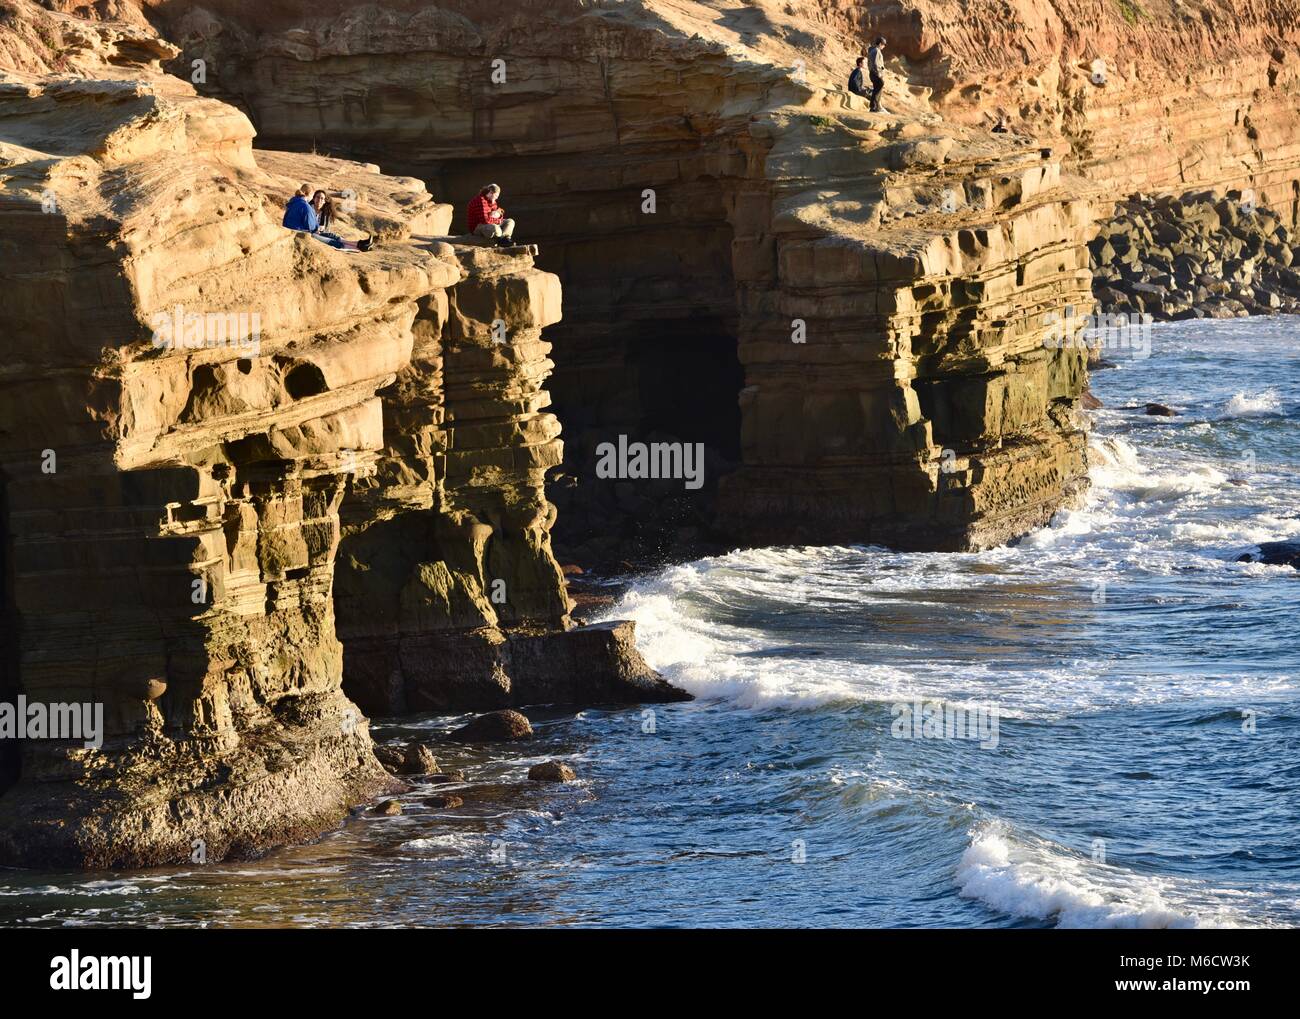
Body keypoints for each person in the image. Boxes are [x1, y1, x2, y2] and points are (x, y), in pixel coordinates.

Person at [282, 184, 371, 251]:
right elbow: (311, 226)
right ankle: (358, 248)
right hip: (301, 232)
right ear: (309, 195)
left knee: (331, 236)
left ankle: (359, 244)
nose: (317, 200)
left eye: (322, 199)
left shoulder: (294, 201)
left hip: (299, 229)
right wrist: (317, 228)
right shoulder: (306, 206)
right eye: (315, 196)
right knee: (333, 242)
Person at [866, 36, 886, 113]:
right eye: (884, 45)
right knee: (880, 85)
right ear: (880, 44)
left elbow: (870, 63)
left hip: (872, 72)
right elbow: (875, 63)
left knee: (876, 88)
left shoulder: (872, 50)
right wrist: (879, 73)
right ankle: (874, 107)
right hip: (875, 73)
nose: (884, 47)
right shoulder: (876, 51)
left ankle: (875, 106)